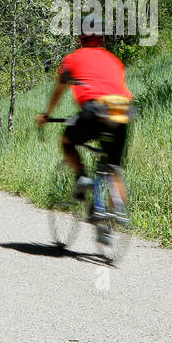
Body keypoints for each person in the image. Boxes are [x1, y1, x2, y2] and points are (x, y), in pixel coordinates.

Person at [36, 26, 134, 233]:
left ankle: (82, 176)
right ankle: (117, 212)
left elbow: (58, 90)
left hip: (94, 110)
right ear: (103, 39)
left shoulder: (72, 59)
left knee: (67, 141)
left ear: (79, 38)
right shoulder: (114, 60)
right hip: (122, 112)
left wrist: (46, 114)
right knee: (113, 168)